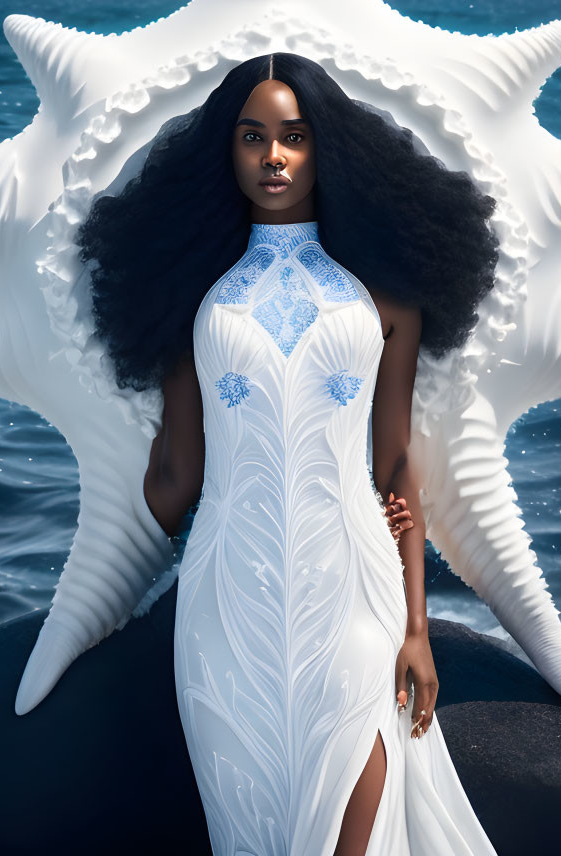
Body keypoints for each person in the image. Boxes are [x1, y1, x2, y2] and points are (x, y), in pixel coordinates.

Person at [75, 53, 500, 855]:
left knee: (354, 810)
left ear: (324, 148)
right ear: (226, 152)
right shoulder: (192, 303)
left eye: (295, 137)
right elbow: (177, 483)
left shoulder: (385, 299)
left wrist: (418, 627)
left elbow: (397, 463)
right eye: (253, 137)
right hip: (225, 603)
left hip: (354, 592)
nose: (274, 156)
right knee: (251, 830)